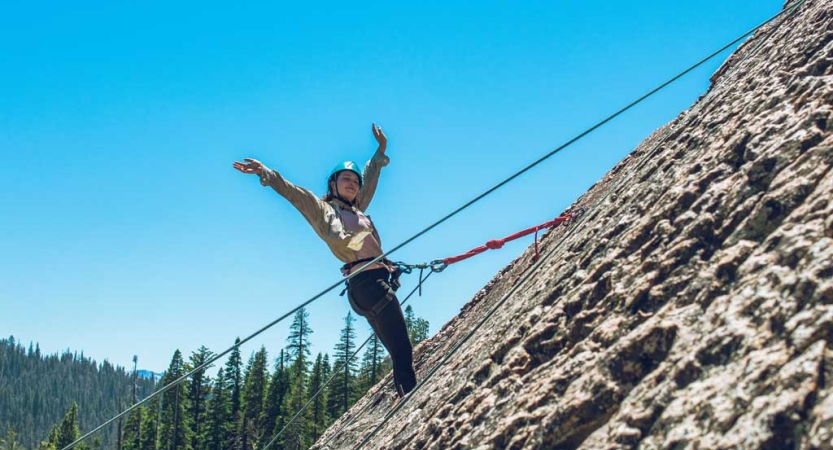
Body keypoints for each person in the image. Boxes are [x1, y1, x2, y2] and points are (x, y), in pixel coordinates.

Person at [233, 123, 417, 397]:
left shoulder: (356, 209)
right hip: (367, 283)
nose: (353, 185)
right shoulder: (325, 211)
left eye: (355, 182)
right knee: (402, 349)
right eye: (346, 180)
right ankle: (411, 401)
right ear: (333, 184)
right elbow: (295, 194)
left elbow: (369, 176)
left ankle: (406, 396)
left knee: (397, 350)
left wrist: (380, 152)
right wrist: (266, 173)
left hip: (369, 285)